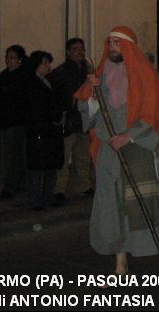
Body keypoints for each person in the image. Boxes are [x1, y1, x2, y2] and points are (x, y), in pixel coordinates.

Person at [75, 26, 159, 275]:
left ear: (129, 47)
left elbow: (153, 115)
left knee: (149, 204)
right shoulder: (98, 76)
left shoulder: (145, 75)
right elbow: (89, 115)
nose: (112, 48)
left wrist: (128, 136)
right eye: (109, 43)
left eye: (117, 43)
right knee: (113, 207)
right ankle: (120, 264)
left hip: (139, 150)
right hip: (109, 154)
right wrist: (91, 93)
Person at [49, 37, 93, 205]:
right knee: (63, 157)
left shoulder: (87, 71)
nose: (79, 52)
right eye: (75, 49)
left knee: (83, 156)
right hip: (68, 120)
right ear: (68, 52)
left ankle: (83, 186)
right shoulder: (60, 73)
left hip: (84, 120)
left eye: (81, 48)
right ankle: (59, 189)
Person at [24, 50, 65, 211]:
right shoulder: (31, 84)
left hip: (51, 131)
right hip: (39, 130)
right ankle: (35, 199)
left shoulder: (48, 82)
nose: (48, 66)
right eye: (45, 63)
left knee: (50, 166)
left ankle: (48, 196)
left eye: (48, 63)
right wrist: (54, 117)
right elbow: (38, 108)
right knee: (37, 167)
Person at [0, 45, 27, 200]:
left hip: (20, 122)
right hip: (8, 122)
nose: (8, 60)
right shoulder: (4, 75)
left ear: (19, 60)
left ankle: (14, 185)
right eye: (7, 57)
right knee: (10, 156)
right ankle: (14, 184)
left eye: (12, 57)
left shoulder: (24, 76)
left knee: (17, 156)